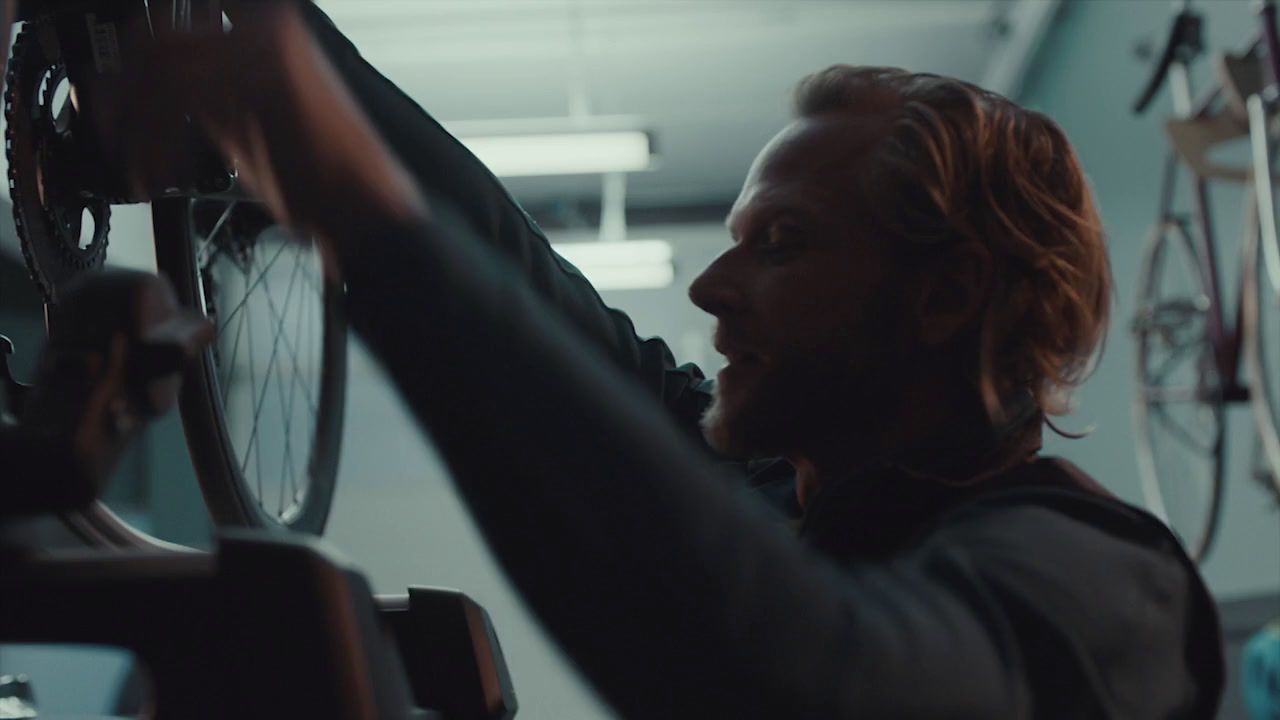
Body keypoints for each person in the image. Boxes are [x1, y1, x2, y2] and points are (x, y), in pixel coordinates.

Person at [97, 2, 1223, 717]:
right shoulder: (780, 489)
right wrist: (278, 44)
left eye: (779, 245)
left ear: (942, 295)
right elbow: (517, 281)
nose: (707, 290)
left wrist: (362, 216)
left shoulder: (1101, 588)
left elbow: (804, 683)